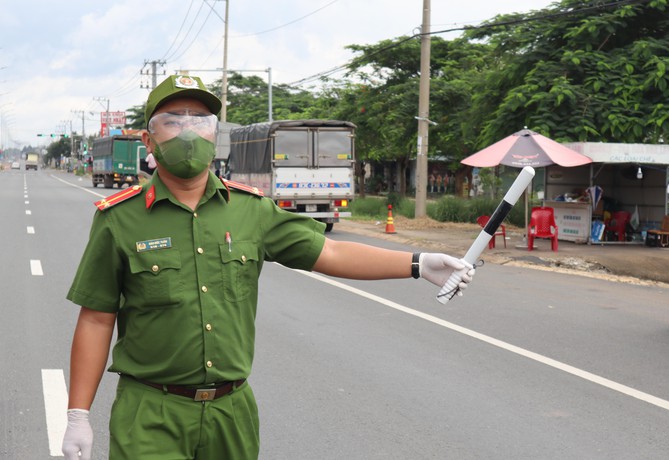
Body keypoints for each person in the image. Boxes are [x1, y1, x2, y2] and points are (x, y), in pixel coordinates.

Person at [61, 75, 474, 460]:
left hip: (232, 413)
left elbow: (329, 253)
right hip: (151, 412)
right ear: (150, 141)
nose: (188, 131)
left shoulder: (252, 210)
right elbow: (97, 319)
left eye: (201, 120)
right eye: (172, 121)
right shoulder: (119, 218)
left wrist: (419, 263)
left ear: (215, 136)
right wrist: (78, 414)